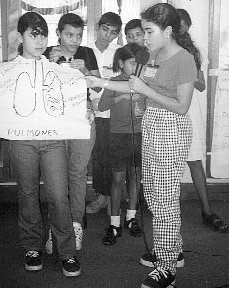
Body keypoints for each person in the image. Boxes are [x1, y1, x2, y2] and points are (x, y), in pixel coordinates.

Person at [86, 3, 197, 287]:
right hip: (151, 125)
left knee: (164, 200)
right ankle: (172, 252)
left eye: (149, 31)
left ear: (168, 31)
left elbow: (182, 106)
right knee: (157, 195)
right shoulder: (152, 55)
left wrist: (146, 92)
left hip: (171, 127)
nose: (144, 37)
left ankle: (167, 267)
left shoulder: (183, 59)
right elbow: (133, 85)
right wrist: (99, 81)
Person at [0, 12, 81, 277]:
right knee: (28, 193)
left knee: (59, 195)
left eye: (43, 34)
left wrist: (84, 109)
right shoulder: (5, 71)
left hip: (53, 140)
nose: (40, 40)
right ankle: (32, 246)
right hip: (22, 140)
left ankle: (66, 251)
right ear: (20, 36)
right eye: (34, 34)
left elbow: (72, 101)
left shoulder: (59, 69)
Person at [43, 13, 99, 254]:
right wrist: (48, 63)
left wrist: (86, 70)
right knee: (55, 177)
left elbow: (97, 85)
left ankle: (76, 225)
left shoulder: (86, 53)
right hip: (54, 119)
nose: (74, 40)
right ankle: (56, 228)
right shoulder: (44, 53)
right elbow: (33, 86)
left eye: (78, 35)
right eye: (69, 35)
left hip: (82, 118)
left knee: (78, 174)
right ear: (58, 33)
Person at [177, 8, 229, 233]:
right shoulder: (160, 49)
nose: (175, 28)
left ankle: (207, 211)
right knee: (166, 165)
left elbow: (200, 84)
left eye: (179, 24)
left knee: (195, 161)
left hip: (190, 115)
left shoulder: (195, 51)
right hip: (166, 114)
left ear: (186, 26)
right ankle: (166, 212)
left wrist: (185, 66)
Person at [98, 43, 144, 246]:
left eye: (138, 63)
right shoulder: (114, 82)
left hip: (140, 134)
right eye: (131, 63)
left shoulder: (144, 82)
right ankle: (114, 223)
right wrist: (121, 97)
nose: (135, 67)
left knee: (135, 176)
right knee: (118, 178)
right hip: (118, 135)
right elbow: (102, 106)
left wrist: (143, 109)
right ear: (121, 63)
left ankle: (131, 217)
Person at [85, 12, 123, 214]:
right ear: (98, 28)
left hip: (112, 112)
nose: (107, 36)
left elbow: (122, 82)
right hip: (90, 113)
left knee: (111, 157)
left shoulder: (120, 52)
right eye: (105, 30)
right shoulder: (84, 50)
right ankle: (101, 197)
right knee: (96, 157)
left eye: (113, 33)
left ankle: (110, 199)